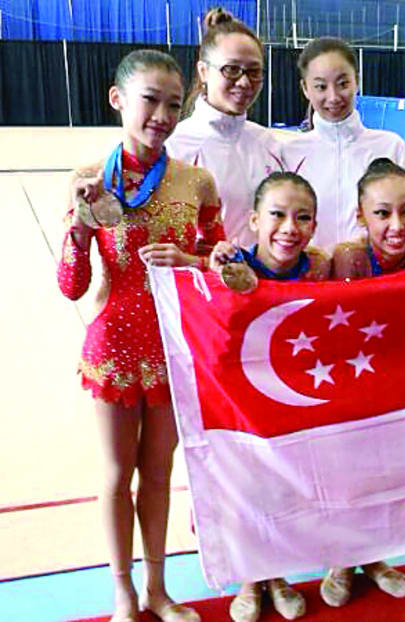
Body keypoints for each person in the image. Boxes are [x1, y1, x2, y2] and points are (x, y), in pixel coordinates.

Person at [57, 49, 224, 622]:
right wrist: (77, 236)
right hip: (114, 346)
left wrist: (191, 259)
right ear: (118, 99)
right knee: (115, 474)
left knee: (159, 473)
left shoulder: (195, 181)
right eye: (150, 100)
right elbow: (71, 286)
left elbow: (221, 263)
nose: (162, 115)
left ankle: (158, 589)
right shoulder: (87, 181)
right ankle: (122, 592)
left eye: (173, 104)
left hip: (174, 347)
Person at [322, 159, 405, 606]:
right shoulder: (345, 257)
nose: (397, 226)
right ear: (360, 215)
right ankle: (341, 558)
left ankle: (374, 557)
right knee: (351, 477)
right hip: (355, 391)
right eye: (382, 213)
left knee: (390, 476)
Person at [208, 173, 329, 622]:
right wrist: (209, 264)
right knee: (246, 488)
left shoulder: (318, 269)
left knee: (284, 487)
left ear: (315, 226)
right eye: (277, 215)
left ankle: (277, 572)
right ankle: (249, 577)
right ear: (255, 220)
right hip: (240, 404)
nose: (288, 227)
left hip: (292, 399)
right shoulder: (228, 267)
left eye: (302, 218)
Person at [167, 8, 284, 248]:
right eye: (231, 69)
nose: (243, 82)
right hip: (202, 282)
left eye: (254, 72)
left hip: (264, 281)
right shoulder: (174, 147)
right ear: (203, 71)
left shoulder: (270, 145)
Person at [281, 38, 405, 252]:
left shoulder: (390, 147)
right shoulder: (289, 154)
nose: (333, 97)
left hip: (375, 278)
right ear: (305, 88)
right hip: (312, 279)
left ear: (357, 81)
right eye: (321, 87)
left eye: (343, 84)